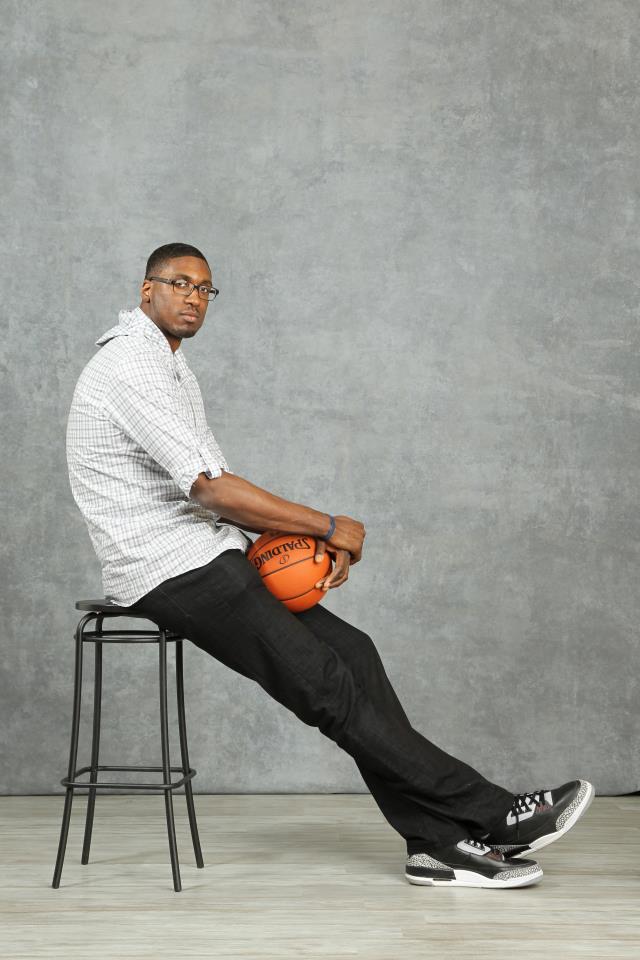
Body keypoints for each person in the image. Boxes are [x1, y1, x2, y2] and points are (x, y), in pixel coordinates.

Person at [66, 242, 594, 890]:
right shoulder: (132, 364)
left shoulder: (170, 365)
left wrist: (303, 541)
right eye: (179, 283)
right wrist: (324, 526)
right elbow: (211, 489)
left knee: (355, 654)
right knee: (325, 686)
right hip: (162, 565)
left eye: (204, 288)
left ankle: (434, 846)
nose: (193, 298)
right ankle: (496, 812)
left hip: (204, 551)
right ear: (146, 289)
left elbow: (208, 492)